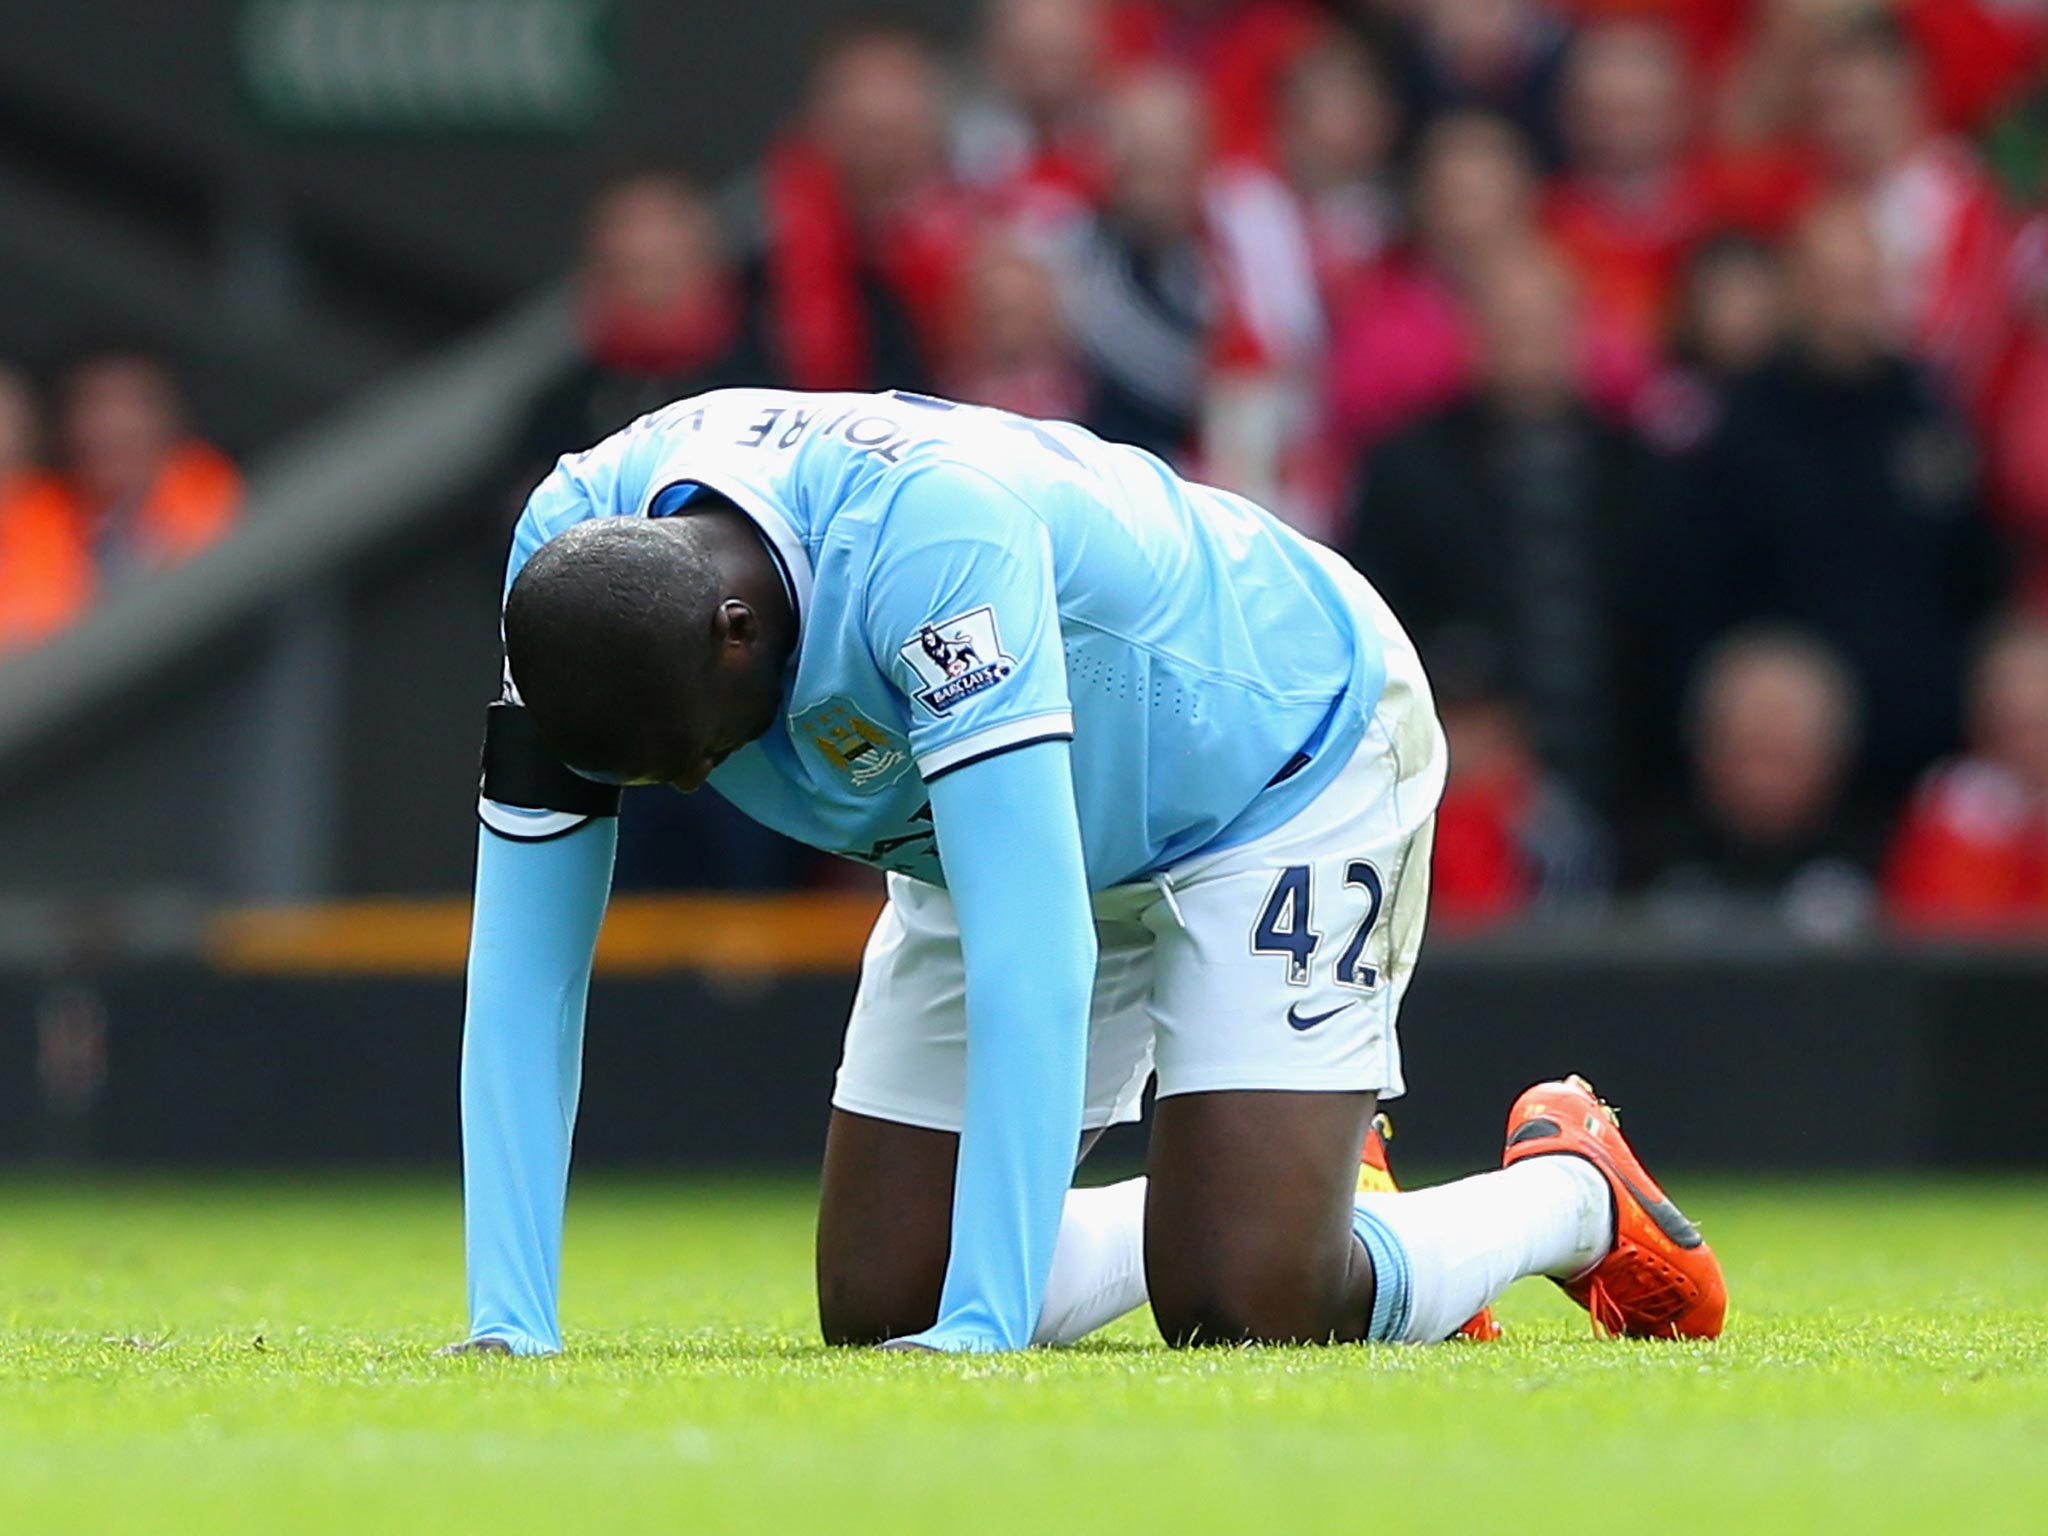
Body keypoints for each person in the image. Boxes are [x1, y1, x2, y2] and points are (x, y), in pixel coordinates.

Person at [446, 386, 1726, 1358]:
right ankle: (1281, 1166)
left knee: (1243, 1301)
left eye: (696, 754)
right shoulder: (569, 555)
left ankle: (1567, 1193)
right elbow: (526, 965)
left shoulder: (927, 548)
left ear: (738, 636)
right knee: (879, 1302)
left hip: (1274, 760)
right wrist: (511, 1318)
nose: (688, 785)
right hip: (990, 812)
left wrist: (987, 1326)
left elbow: (1033, 945)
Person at [1633, 626, 1883, 938]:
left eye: (1783, 755)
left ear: (1833, 759)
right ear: (1705, 751)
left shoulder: (1883, 864)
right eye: (1748, 751)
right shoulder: (1646, 859)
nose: (1763, 780)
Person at [1886, 615, 2048, 934]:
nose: (2028, 745)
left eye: (2039, 724)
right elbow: (1935, 917)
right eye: (2014, 725)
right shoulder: (1951, 803)